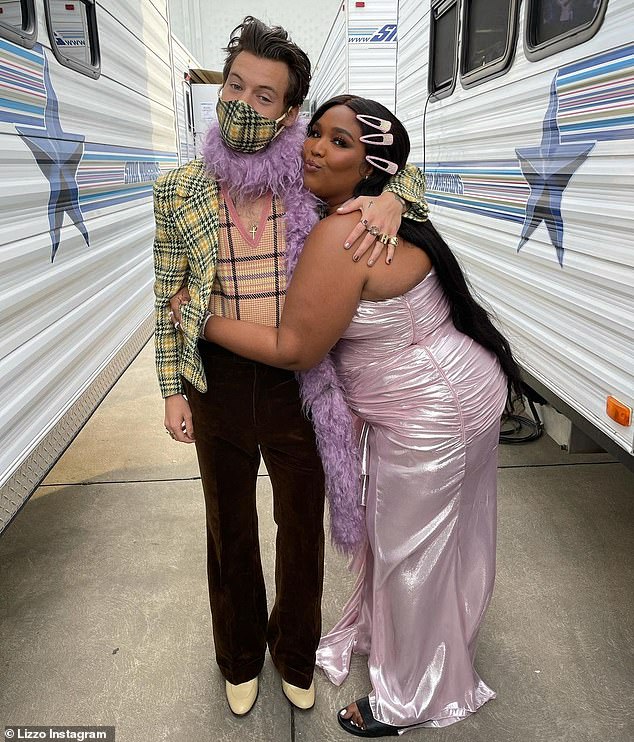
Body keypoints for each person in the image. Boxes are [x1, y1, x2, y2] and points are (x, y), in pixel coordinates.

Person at [197, 94, 523, 736]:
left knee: (409, 552)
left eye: (339, 142)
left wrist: (205, 321)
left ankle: (412, 694)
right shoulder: (382, 214)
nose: (316, 146)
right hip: (457, 393)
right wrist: (395, 192)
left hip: (432, 414)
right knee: (426, 544)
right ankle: (412, 637)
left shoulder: (339, 232)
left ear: (372, 166)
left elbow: (295, 348)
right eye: (315, 132)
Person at [152, 17, 428, 717]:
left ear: (290, 112)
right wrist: (170, 390)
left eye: (265, 97)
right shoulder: (179, 189)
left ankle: (295, 654)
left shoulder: (310, 182)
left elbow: (401, 166)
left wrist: (397, 196)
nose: (245, 105)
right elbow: (165, 294)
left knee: (299, 528)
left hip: (299, 384)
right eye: (236, 86)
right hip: (213, 380)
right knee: (229, 528)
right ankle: (240, 657)